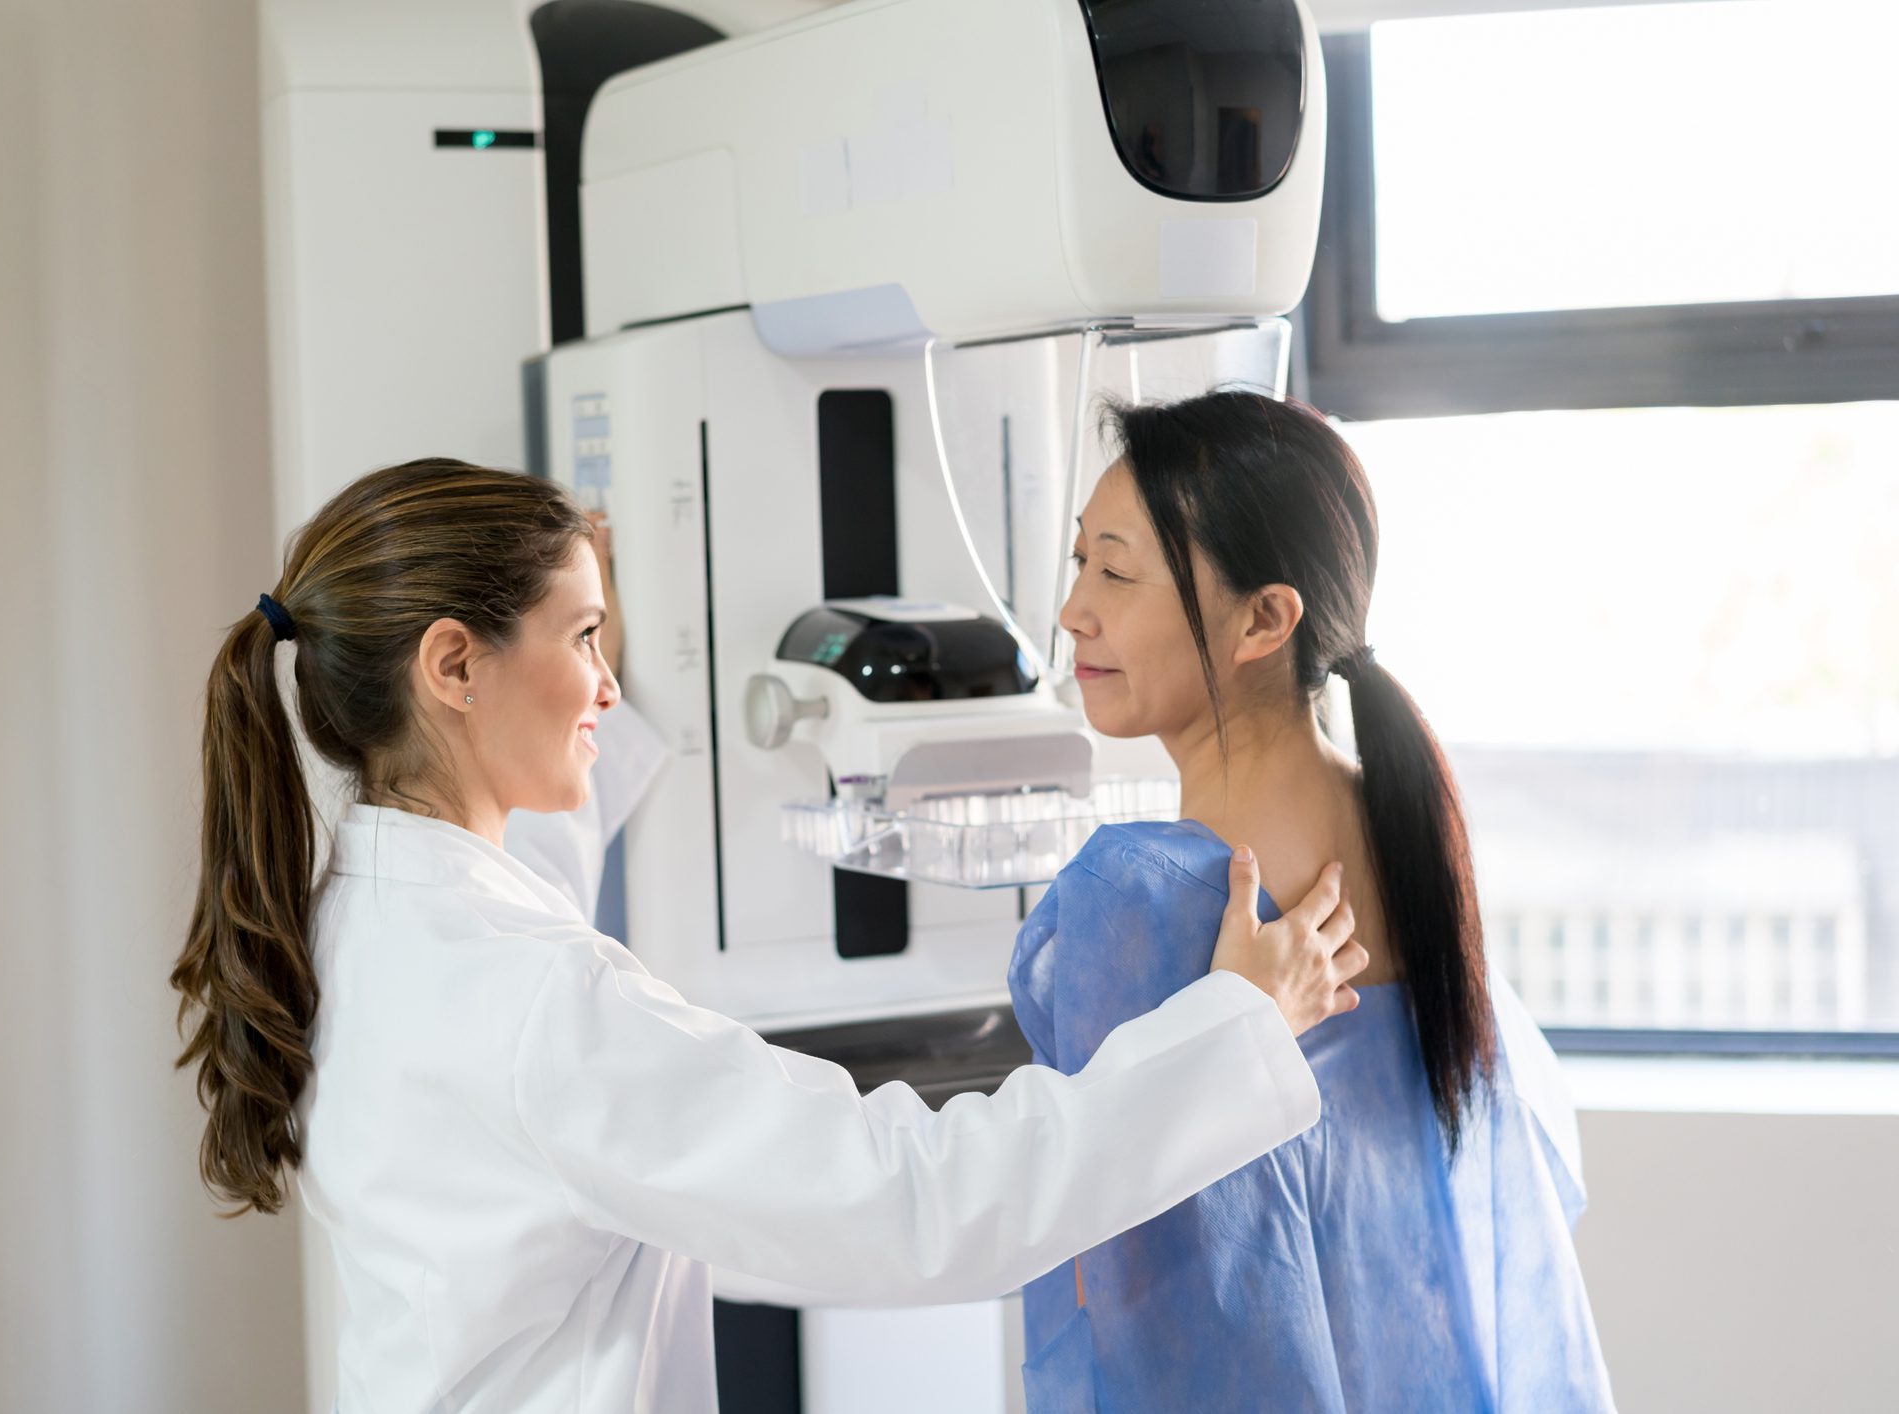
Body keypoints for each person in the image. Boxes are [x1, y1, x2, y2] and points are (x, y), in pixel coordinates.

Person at [167, 457, 1367, 1413]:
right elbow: (917, 1206)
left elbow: (524, 913)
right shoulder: (534, 1000)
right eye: (581, 639)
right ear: (451, 665)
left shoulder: (359, 915)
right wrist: (1237, 1029)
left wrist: (581, 659)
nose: (605, 682)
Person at [1010, 392, 1613, 1411]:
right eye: (1079, 562)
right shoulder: (1406, 829)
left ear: (1264, 618)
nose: (1074, 610)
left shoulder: (1142, 897)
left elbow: (1114, 1289)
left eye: (1115, 571)